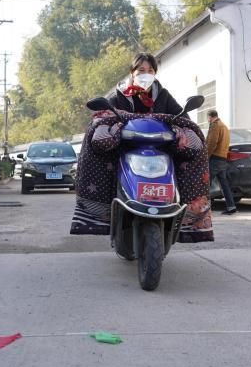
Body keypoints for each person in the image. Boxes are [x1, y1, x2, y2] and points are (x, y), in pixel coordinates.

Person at [71, 52, 213, 243]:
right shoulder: (118, 96)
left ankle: (187, 216)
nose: (146, 74)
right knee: (100, 157)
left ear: (155, 73)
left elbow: (182, 118)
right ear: (132, 72)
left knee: (191, 154)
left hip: (160, 151)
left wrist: (182, 131)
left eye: (150, 70)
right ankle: (102, 213)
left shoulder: (162, 95)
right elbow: (104, 116)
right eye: (141, 70)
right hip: (125, 151)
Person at [206, 110, 236, 215]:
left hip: (214, 158)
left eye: (208, 118)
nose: (208, 120)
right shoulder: (224, 126)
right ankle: (231, 206)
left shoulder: (215, 126)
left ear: (210, 117)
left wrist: (206, 156)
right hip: (223, 158)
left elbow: (212, 143)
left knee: (205, 183)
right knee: (224, 184)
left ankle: (204, 208)